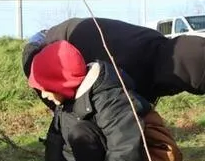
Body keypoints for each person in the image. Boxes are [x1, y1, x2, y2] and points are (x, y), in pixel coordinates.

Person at [28, 41, 177, 161]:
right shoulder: (66, 102)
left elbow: (124, 152)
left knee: (81, 133)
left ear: (60, 81)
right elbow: (61, 153)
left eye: (46, 87)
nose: (44, 94)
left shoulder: (112, 96)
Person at [23, 16, 205, 103]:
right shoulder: (132, 67)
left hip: (70, 37)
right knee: (69, 116)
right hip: (49, 46)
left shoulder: (157, 46)